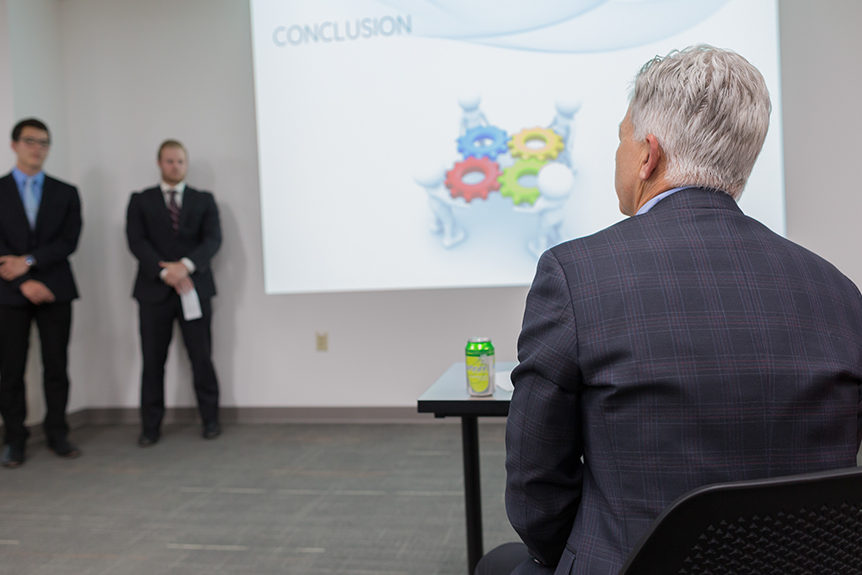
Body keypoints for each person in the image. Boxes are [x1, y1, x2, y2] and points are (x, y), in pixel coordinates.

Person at [477, 45, 862, 574]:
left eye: (620, 139)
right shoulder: (840, 293)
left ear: (647, 156)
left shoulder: (576, 274)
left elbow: (534, 481)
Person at [125, 140, 222, 446]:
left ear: (186, 164)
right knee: (153, 361)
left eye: (180, 161)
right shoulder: (140, 201)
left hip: (194, 289)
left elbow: (213, 240)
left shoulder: (204, 200)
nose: (175, 166)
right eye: (169, 161)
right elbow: (136, 242)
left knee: (201, 357)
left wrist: (186, 266)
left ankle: (210, 419)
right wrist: (165, 272)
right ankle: (150, 427)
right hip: (154, 292)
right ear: (159, 163)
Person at [0, 118, 83, 468]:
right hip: (8, 291)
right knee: (10, 369)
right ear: (14, 144)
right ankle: (15, 439)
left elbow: (69, 241)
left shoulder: (66, 192)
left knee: (56, 366)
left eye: (45, 142)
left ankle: (57, 432)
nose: (38, 148)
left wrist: (30, 264)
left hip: (54, 288)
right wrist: (21, 280)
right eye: (31, 141)